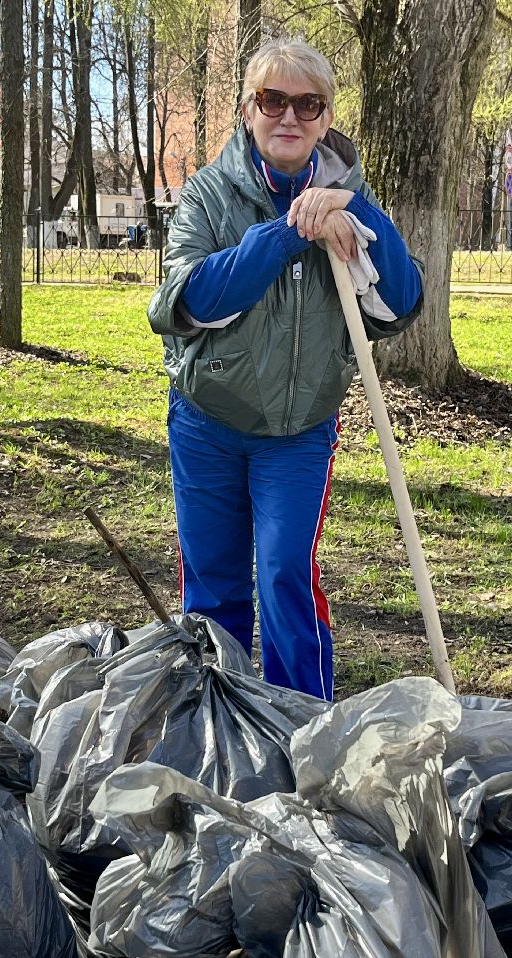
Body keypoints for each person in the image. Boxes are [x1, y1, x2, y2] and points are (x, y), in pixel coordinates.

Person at [148, 39, 423, 700]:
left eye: (308, 103)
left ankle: (302, 723)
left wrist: (351, 213)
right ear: (249, 110)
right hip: (208, 423)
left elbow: (403, 304)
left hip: (299, 430)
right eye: (273, 100)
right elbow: (190, 303)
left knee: (284, 574)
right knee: (213, 583)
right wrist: (287, 233)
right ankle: (217, 720)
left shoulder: (352, 198)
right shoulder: (210, 196)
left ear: (327, 117)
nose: (289, 117)